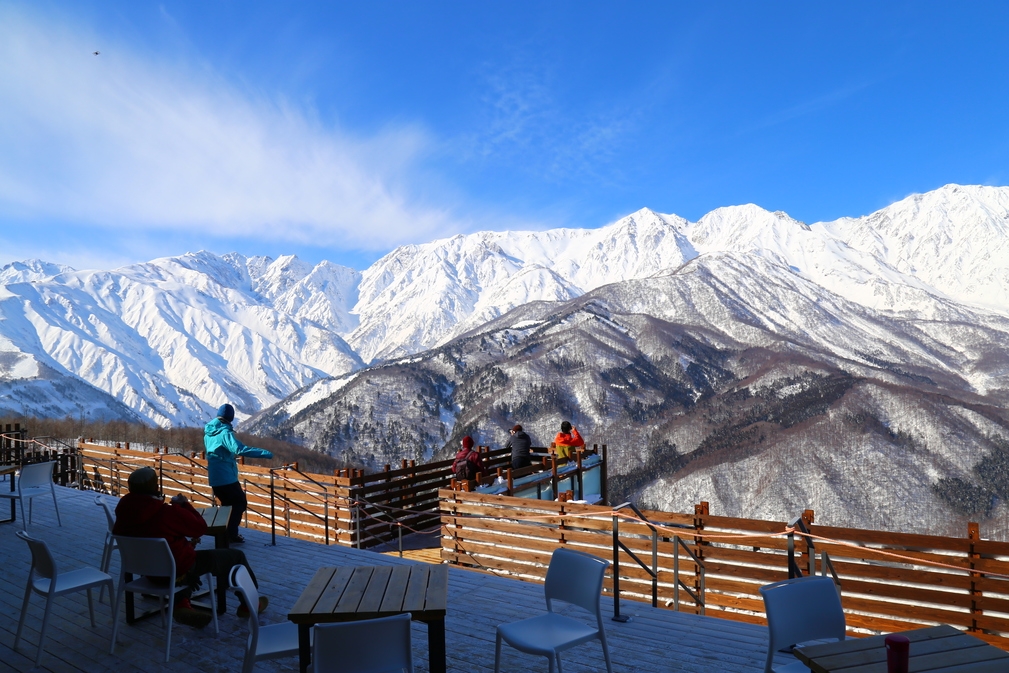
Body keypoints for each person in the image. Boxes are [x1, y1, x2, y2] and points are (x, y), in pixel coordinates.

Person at [112, 467, 268, 628]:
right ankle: (249, 605)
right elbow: (200, 528)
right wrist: (184, 505)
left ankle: (182, 604)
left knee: (184, 558)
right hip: (176, 570)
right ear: (155, 487)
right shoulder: (165, 513)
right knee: (235, 557)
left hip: (146, 571)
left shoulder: (122, 513)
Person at [204, 403, 273, 544]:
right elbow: (239, 449)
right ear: (231, 418)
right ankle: (231, 535)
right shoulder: (224, 433)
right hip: (226, 477)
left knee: (227, 505)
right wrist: (265, 453)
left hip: (215, 477)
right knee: (240, 503)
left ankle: (225, 533)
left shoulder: (208, 433)